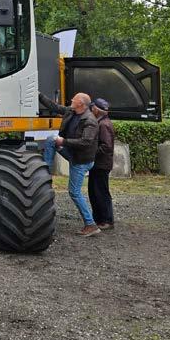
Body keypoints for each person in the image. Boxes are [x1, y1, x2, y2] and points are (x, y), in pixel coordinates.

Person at [39, 91, 101, 237]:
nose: (71, 100)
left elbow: (86, 142)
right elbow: (54, 107)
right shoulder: (72, 111)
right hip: (73, 154)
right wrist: (39, 95)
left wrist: (64, 142)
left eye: (74, 99)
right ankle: (45, 173)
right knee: (51, 140)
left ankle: (91, 225)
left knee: (74, 192)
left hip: (81, 160)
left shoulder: (90, 121)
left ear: (80, 104)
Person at [88, 98, 115, 230]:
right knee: (94, 192)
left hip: (101, 165)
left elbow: (106, 146)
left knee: (101, 193)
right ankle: (99, 219)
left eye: (93, 107)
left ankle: (107, 220)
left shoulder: (104, 124)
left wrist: (91, 152)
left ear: (97, 110)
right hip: (98, 164)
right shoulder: (102, 122)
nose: (91, 109)